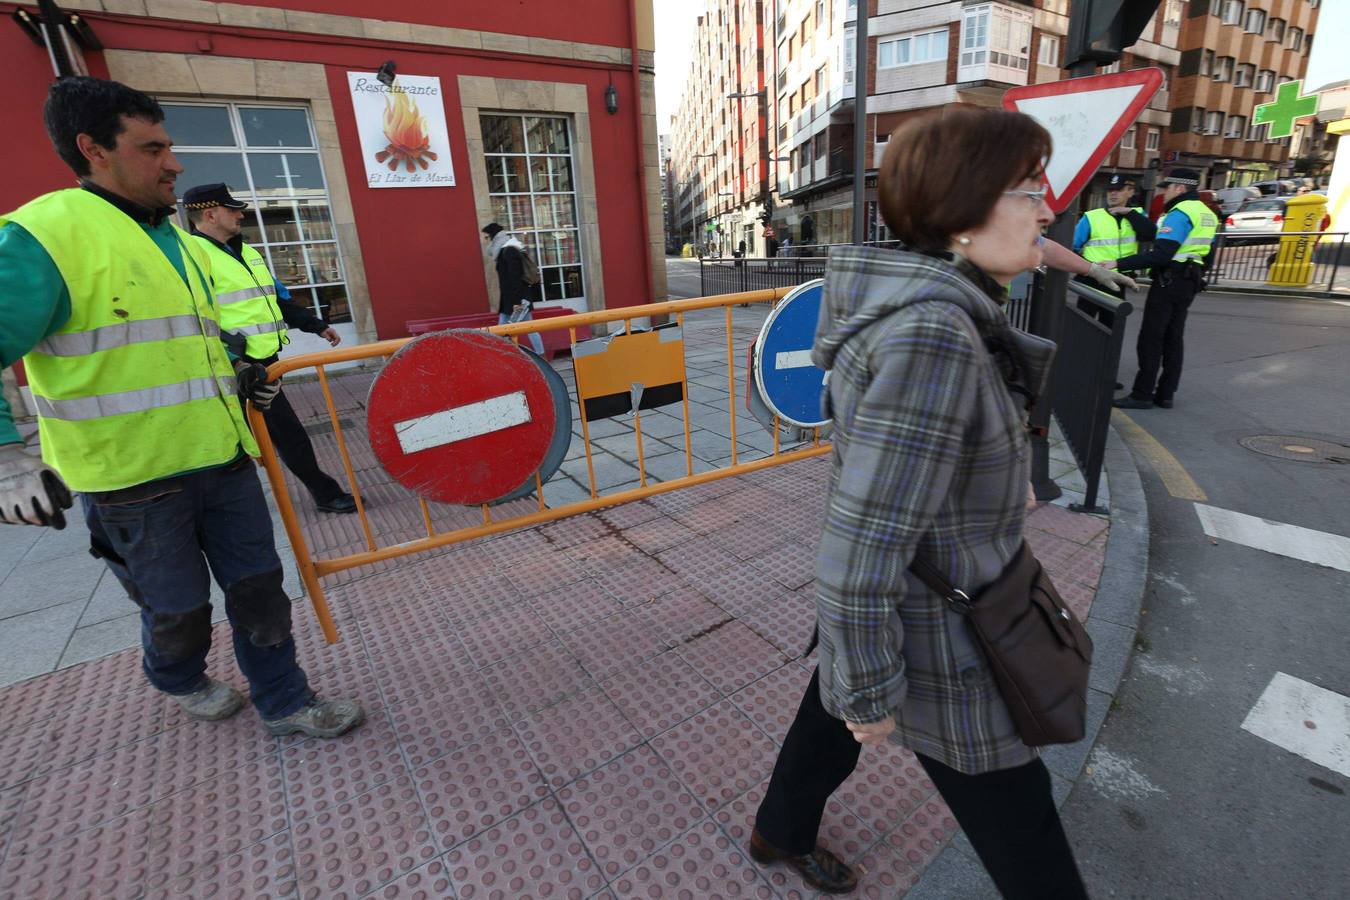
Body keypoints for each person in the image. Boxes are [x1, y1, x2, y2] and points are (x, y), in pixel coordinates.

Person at [747, 107, 1087, 899]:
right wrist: (868, 687)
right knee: (1021, 822)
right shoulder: (933, 333)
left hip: (927, 595)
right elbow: (861, 543)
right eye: (1025, 189)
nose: (1046, 207)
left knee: (827, 723)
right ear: (961, 214)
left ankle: (780, 830)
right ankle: (793, 807)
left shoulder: (939, 303)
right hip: (948, 629)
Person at [0, 76, 362, 738]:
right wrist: (7, 462)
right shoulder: (44, 236)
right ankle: (178, 677)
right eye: (154, 147)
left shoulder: (174, 241)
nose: (176, 163)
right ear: (93, 149)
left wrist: (241, 370)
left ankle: (284, 699)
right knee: (179, 611)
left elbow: (188, 340)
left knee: (259, 591)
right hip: (130, 483)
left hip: (221, 461)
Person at [184, 183, 357, 515]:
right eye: (233, 209)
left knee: (281, 434)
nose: (240, 214)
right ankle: (322, 494)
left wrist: (316, 325)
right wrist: (235, 361)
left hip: (263, 364)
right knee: (259, 437)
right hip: (231, 366)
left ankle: (315, 493)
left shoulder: (245, 251)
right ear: (210, 213)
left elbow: (276, 299)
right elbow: (192, 318)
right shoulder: (192, 257)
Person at [1109, 168, 1217, 410]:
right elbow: (1208, 255)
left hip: (1169, 281)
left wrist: (1119, 263)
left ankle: (1142, 394)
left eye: (1166, 187)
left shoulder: (1179, 213)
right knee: (1173, 338)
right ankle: (1166, 393)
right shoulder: (1206, 213)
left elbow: (1161, 254)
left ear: (1180, 188)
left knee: (1151, 339)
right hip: (1189, 280)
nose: (1163, 192)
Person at [1072, 173, 1156, 298]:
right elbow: (1073, 246)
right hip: (1094, 278)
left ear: (1130, 192)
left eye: (1119, 190)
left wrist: (1129, 213)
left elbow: (1151, 234)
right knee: (1084, 317)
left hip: (1121, 278)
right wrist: (1088, 268)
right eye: (1110, 190)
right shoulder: (1092, 217)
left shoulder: (1137, 214)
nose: (1113, 193)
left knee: (1112, 317)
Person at [481, 222, 546, 355]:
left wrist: (516, 302)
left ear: (493, 235)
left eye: (487, 237)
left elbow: (515, 277)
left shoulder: (509, 250)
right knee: (502, 330)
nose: (486, 241)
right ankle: (502, 355)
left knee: (528, 329)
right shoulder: (503, 250)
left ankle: (541, 355)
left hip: (517, 299)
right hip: (509, 299)